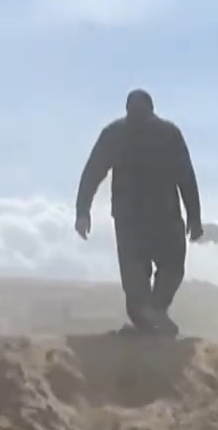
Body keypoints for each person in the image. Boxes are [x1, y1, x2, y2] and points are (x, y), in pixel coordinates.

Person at [74, 89, 205, 337]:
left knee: (139, 274)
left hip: (133, 218)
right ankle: (152, 316)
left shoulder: (116, 133)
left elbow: (92, 173)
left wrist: (83, 211)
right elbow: (186, 177)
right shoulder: (166, 133)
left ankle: (150, 315)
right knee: (161, 269)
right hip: (160, 214)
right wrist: (194, 217)